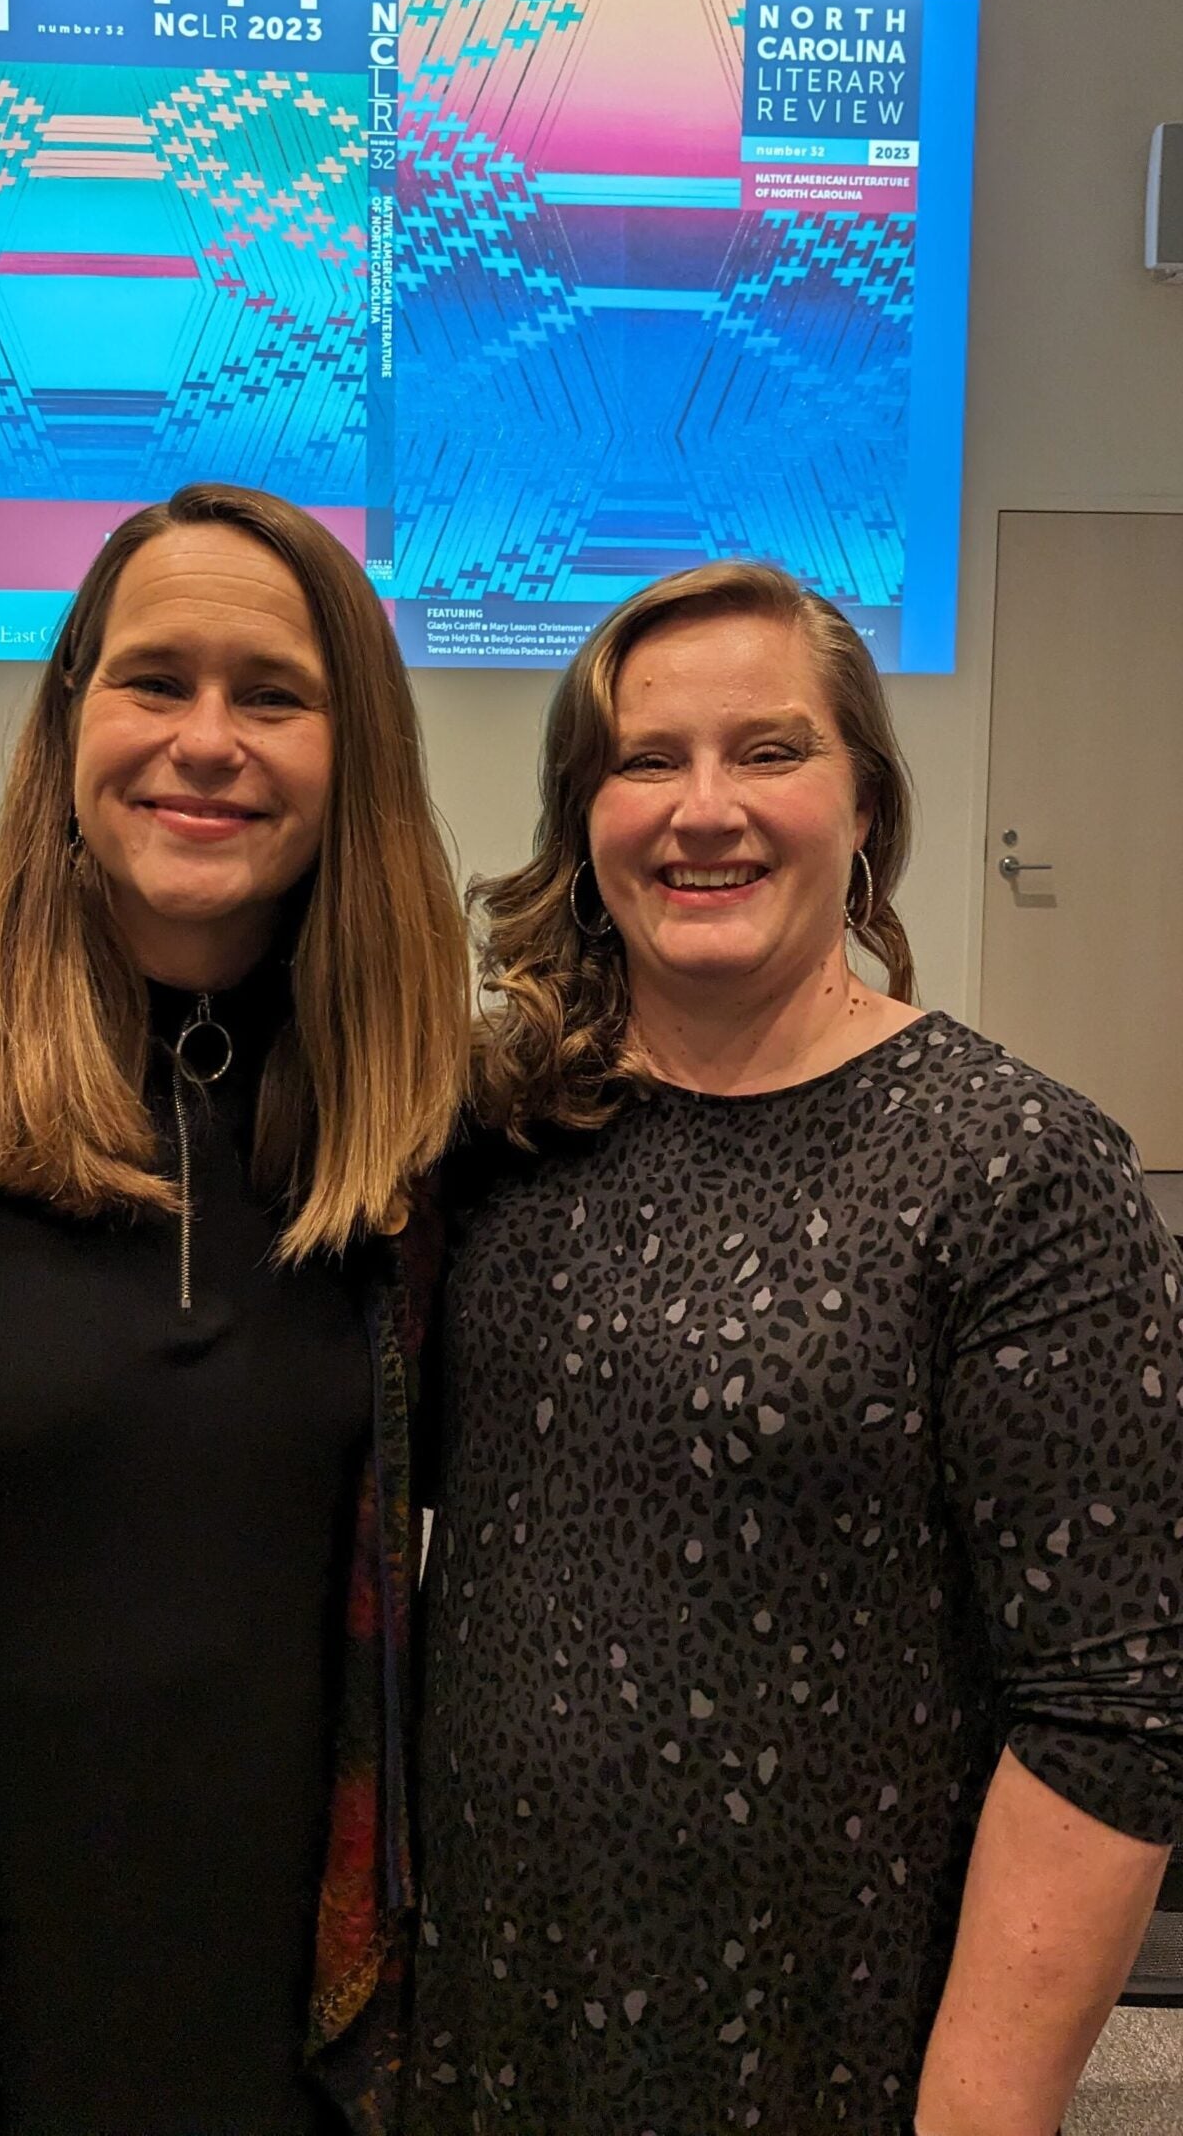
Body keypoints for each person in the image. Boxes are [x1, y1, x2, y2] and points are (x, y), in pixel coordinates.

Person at [408, 559, 1183, 2136]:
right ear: (584, 821)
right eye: (646, 760)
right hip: (489, 2006)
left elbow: (1115, 1703)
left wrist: (984, 2107)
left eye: (770, 751)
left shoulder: (1020, 1173)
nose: (707, 809)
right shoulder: (494, 1135)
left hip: (826, 2033)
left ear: (867, 806)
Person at [0, 483, 469, 2136]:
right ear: (68, 717)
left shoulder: (402, 1130)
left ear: (352, 755)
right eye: (156, 680)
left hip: (285, 2025)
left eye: (271, 695)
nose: (206, 740)